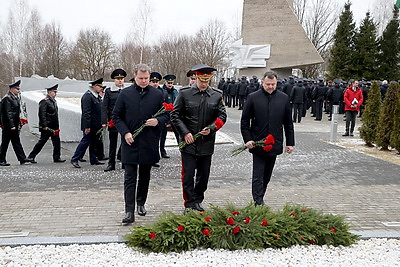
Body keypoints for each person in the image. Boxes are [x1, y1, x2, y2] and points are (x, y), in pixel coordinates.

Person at [113, 64, 169, 224]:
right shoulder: (125, 94)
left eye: (147, 78)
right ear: (135, 77)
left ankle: (141, 203)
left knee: (145, 176)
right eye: (141, 78)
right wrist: (125, 132)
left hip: (149, 141)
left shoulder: (158, 94)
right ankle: (129, 211)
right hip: (130, 141)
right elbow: (117, 116)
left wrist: (158, 120)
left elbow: (167, 115)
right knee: (130, 177)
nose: (144, 81)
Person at [171, 64, 227, 212]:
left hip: (206, 143)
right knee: (188, 175)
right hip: (188, 143)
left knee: (203, 176)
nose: (204, 84)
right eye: (201, 81)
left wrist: (212, 128)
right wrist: (185, 133)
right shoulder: (184, 94)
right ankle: (189, 203)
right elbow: (175, 116)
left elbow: (222, 116)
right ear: (196, 78)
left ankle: (198, 200)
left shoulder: (216, 94)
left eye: (207, 81)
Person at [240, 71, 295, 206]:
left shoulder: (283, 98)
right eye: (268, 84)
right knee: (258, 175)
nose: (270, 87)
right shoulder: (253, 97)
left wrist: (290, 143)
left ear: (277, 83)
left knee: (267, 175)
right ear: (262, 83)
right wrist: (247, 139)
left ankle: (260, 197)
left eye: (273, 84)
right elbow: (245, 121)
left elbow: (288, 123)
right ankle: (258, 201)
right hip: (257, 143)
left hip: (274, 143)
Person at [70, 78, 106, 168]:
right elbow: (86, 112)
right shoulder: (87, 96)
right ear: (94, 86)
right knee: (85, 142)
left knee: (94, 143)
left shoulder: (95, 96)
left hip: (96, 125)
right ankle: (75, 159)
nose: (101, 88)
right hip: (90, 125)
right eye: (99, 86)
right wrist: (87, 126)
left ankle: (93, 159)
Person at [27, 84, 65, 163]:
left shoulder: (53, 101)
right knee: (42, 142)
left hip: (54, 126)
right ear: (49, 92)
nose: (55, 93)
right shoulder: (45, 101)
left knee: (57, 142)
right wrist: (44, 125)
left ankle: (57, 157)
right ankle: (31, 156)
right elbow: (42, 114)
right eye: (54, 92)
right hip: (47, 126)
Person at [0, 80, 32, 166]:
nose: (18, 91)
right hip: (8, 125)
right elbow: (8, 113)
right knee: (6, 143)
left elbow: (16, 112)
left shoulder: (14, 97)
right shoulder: (7, 98)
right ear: (11, 89)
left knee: (15, 142)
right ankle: (2, 159)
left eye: (19, 89)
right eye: (17, 89)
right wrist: (11, 125)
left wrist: (18, 123)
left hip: (13, 124)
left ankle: (22, 158)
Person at [102, 68, 126, 172]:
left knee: (125, 142)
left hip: (125, 121)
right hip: (113, 120)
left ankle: (125, 163)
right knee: (113, 144)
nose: (120, 80)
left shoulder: (127, 91)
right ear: (114, 80)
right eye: (118, 79)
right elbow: (104, 107)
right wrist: (104, 121)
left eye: (121, 78)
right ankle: (111, 164)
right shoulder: (109, 91)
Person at [149, 71, 167, 168]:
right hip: (148, 120)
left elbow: (167, 108)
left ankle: (154, 158)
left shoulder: (163, 93)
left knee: (157, 139)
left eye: (157, 81)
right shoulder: (146, 91)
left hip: (159, 120)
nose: (155, 83)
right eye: (153, 81)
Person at [160, 74, 178, 158]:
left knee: (178, 134)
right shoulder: (162, 91)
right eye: (168, 82)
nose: (170, 84)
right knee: (162, 136)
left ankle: (182, 149)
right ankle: (162, 151)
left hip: (174, 117)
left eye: (171, 83)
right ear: (165, 82)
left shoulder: (175, 92)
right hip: (165, 117)